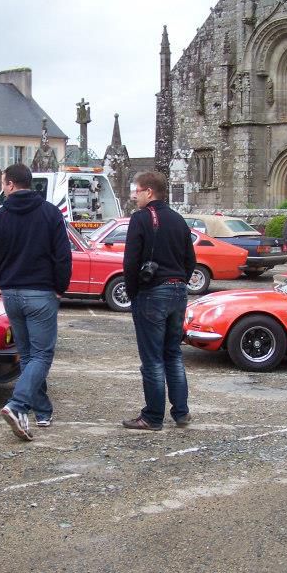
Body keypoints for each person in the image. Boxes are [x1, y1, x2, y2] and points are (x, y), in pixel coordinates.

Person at [0, 163, 72, 441]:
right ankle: (18, 404)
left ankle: (42, 410)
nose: (2, 187)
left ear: (10, 184)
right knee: (42, 355)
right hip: (41, 292)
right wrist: (60, 287)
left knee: (29, 356)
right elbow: (62, 255)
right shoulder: (50, 213)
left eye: (3, 182)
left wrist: (3, 282)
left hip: (12, 292)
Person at [121, 171, 196, 431]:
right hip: (178, 291)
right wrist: (180, 281)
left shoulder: (141, 219)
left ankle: (153, 416)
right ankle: (181, 412)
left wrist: (133, 293)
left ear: (149, 192)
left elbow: (130, 261)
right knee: (173, 354)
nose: (134, 196)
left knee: (152, 358)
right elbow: (191, 260)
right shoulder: (178, 220)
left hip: (153, 292)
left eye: (137, 191)